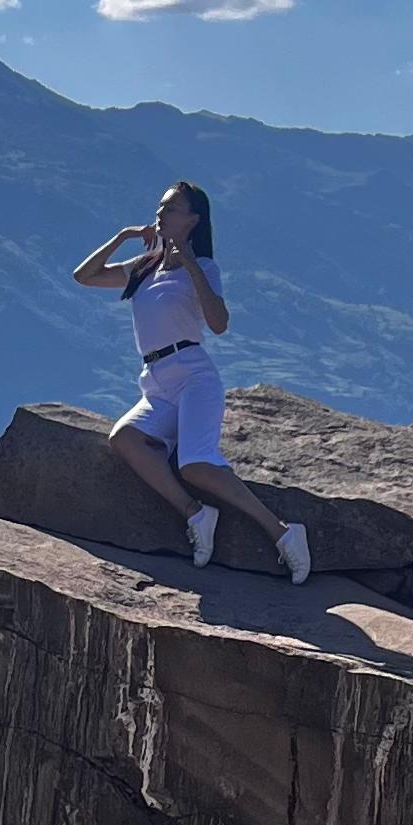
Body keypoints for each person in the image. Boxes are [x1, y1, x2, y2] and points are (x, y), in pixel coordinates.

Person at [74, 182, 311, 578]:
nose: (161, 213)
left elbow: (218, 324)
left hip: (193, 376)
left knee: (196, 464)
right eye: (160, 207)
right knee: (124, 438)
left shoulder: (204, 268)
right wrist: (125, 236)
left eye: (171, 209)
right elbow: (85, 276)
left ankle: (284, 533)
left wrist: (193, 265)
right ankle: (196, 514)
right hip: (156, 381)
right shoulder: (144, 266)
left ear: (193, 220)